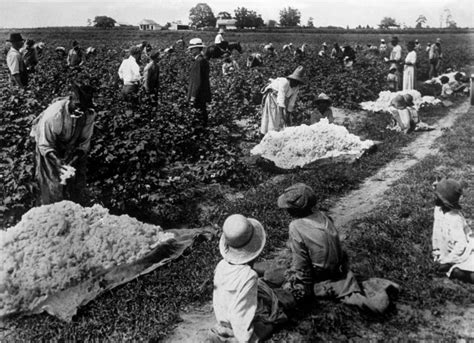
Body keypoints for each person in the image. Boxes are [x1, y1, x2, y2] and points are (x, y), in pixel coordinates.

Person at [277, 183, 399, 313]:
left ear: (295, 209)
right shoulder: (323, 216)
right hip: (337, 270)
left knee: (275, 275)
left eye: (288, 208)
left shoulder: (295, 226)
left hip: (321, 276)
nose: (287, 210)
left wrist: (304, 288)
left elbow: (301, 264)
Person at [207, 214, 287, 342]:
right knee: (277, 313)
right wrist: (244, 337)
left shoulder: (221, 265)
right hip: (236, 322)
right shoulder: (249, 276)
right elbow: (240, 313)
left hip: (222, 316)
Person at [30, 82, 96, 205]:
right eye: (77, 105)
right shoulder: (54, 115)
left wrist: (72, 161)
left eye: (83, 107)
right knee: (51, 180)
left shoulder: (88, 114)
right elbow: (45, 144)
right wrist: (58, 161)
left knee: (75, 179)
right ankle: (50, 209)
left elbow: (84, 144)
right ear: (70, 100)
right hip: (47, 144)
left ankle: (73, 206)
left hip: (70, 143)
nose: (79, 109)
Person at [432, 178, 474, 284]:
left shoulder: (454, 219)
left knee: (466, 270)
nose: (434, 197)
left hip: (465, 251)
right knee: (455, 270)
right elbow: (439, 198)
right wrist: (436, 187)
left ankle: (458, 270)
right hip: (449, 250)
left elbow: (461, 245)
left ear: (444, 201)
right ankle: (454, 269)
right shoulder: (440, 209)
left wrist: (447, 260)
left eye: (437, 196)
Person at [260, 66, 305, 134]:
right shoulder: (284, 82)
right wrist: (282, 117)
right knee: (273, 117)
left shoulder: (296, 88)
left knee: (285, 119)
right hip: (272, 96)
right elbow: (280, 98)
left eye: (297, 82)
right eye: (294, 81)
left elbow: (291, 102)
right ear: (291, 79)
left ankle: (280, 132)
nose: (295, 84)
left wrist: (288, 116)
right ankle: (269, 134)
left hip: (283, 99)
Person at [187, 38, 211, 127]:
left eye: (192, 48)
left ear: (197, 49)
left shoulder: (199, 61)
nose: (190, 50)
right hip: (202, 92)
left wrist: (193, 96)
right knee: (202, 111)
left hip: (198, 94)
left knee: (198, 113)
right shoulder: (202, 60)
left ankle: (200, 131)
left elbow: (197, 80)